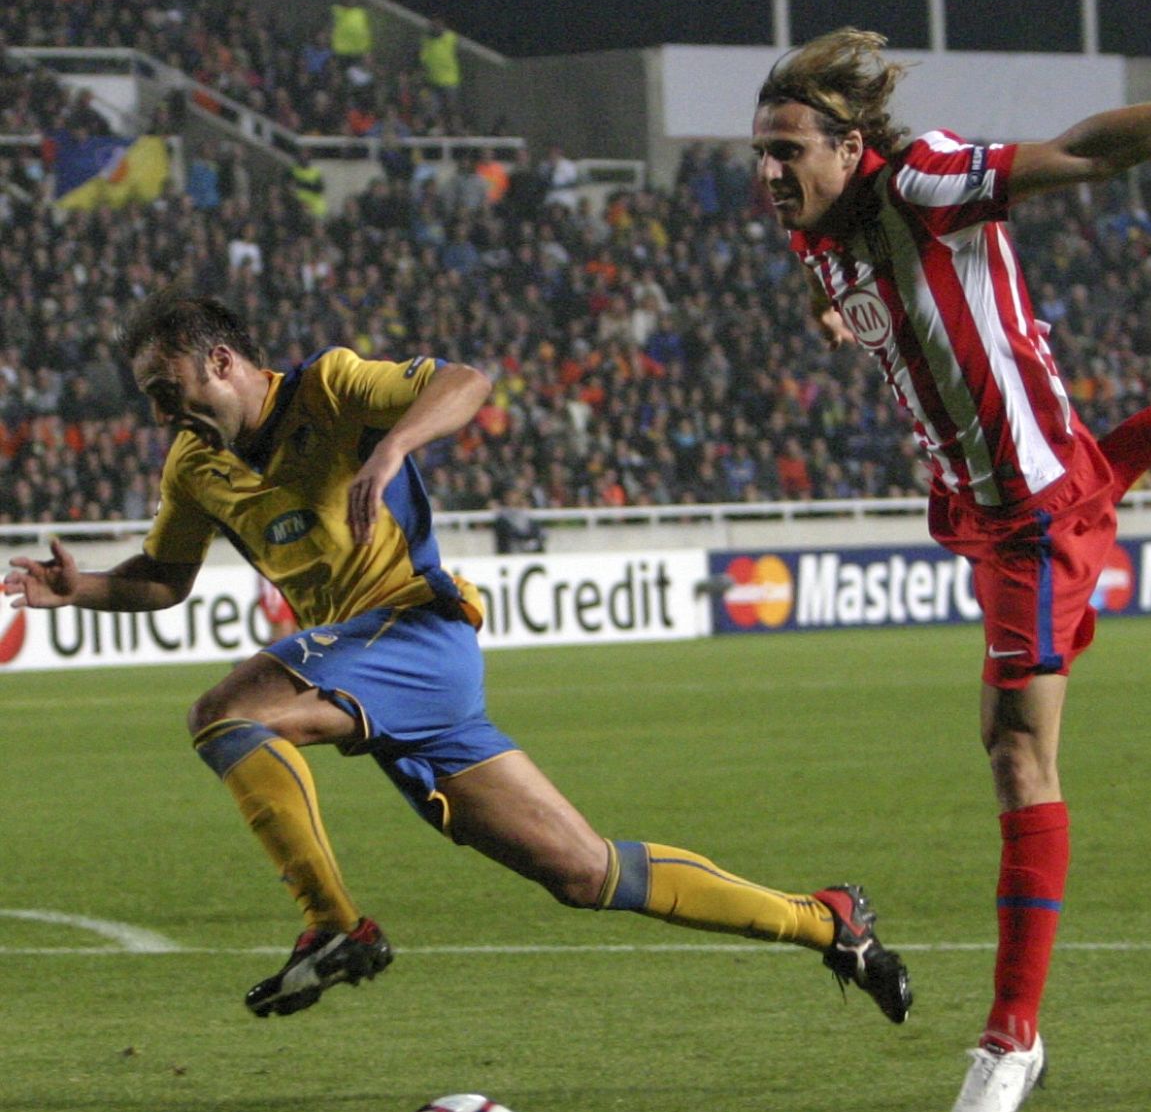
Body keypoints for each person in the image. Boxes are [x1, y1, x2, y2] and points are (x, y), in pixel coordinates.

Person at [3, 290, 912, 1029]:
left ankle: (331, 927)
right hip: (375, 677)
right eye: (150, 398)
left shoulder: (329, 388)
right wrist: (78, 590)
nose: (159, 411)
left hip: (414, 633)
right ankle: (825, 920)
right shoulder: (193, 465)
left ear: (222, 361)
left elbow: (469, 380)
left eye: (167, 387)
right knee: (586, 872)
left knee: (223, 716)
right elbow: (165, 578)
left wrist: (393, 444)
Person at [751, 5, 1151, 1112]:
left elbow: (1091, 152)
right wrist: (836, 309)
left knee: (1019, 750)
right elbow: (843, 286)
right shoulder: (816, 223)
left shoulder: (924, 179)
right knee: (1002, 727)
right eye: (758, 153)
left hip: (1029, 507)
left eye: (787, 151)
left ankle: (1012, 1032)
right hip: (985, 498)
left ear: (849, 145)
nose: (768, 173)